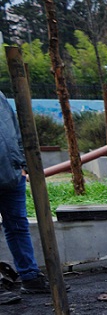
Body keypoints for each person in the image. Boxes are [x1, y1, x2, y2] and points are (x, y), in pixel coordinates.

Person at [0, 90, 49, 300]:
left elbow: (15, 130)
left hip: (11, 174)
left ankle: (30, 277)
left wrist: (21, 164)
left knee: (18, 226)